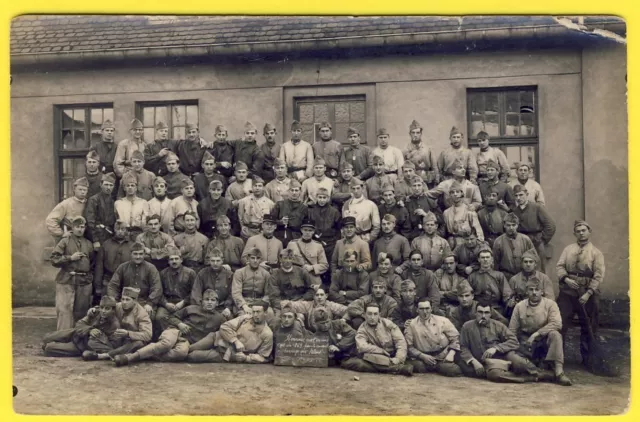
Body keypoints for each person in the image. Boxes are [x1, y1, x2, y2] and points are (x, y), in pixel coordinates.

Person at [113, 289, 226, 366]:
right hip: (175, 331)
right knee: (166, 344)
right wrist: (180, 324)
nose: (209, 303)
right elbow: (171, 317)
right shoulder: (191, 308)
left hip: (187, 341)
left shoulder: (219, 318)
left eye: (213, 300)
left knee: (181, 353)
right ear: (202, 301)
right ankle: (130, 357)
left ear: (217, 303)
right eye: (207, 300)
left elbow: (226, 330)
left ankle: (147, 355)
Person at [556, 220, 605, 370]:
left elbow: (598, 275)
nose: (581, 233)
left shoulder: (596, 253)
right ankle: (558, 359)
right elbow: (560, 266)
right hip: (568, 290)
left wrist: (588, 293)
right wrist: (566, 279)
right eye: (578, 231)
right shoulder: (568, 250)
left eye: (584, 230)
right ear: (574, 234)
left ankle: (588, 360)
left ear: (589, 232)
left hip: (587, 292)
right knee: (560, 323)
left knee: (589, 325)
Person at [458, 301, 541, 383]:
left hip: (503, 356)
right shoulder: (467, 327)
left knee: (519, 363)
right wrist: (473, 361)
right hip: (486, 362)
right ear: (475, 313)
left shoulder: (498, 325)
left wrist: (496, 348)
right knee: (495, 374)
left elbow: (514, 341)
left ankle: (541, 374)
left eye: (486, 313)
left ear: (490, 314)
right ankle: (529, 378)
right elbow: (463, 346)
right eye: (480, 312)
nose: (483, 316)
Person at [509, 280, 572, 386]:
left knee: (555, 335)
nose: (534, 293)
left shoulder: (550, 304)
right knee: (514, 360)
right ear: (527, 292)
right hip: (526, 342)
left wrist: (536, 334)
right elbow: (512, 330)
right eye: (531, 290)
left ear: (542, 292)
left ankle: (559, 373)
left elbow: (557, 324)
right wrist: (514, 346)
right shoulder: (520, 306)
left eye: (537, 290)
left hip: (544, 341)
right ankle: (540, 372)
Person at [188, 301, 274, 364]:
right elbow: (224, 326)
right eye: (253, 311)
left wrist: (246, 358)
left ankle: (178, 353)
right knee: (188, 349)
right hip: (216, 338)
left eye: (258, 312)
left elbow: (263, 356)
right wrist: (236, 341)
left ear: (265, 313)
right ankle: (179, 349)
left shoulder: (267, 334)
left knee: (193, 356)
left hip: (226, 353)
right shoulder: (245, 318)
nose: (255, 315)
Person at [341, 304, 413, 376]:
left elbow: (400, 341)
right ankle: (398, 369)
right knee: (366, 359)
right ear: (365, 315)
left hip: (393, 355)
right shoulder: (362, 329)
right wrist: (381, 351)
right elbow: (362, 347)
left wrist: (398, 358)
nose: (372, 317)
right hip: (375, 357)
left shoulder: (388, 324)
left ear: (379, 314)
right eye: (369, 314)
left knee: (362, 365)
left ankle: (394, 366)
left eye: (375, 314)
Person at [50, 216, 95, 330]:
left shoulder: (89, 244)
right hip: (66, 280)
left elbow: (93, 263)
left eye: (82, 227)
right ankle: (63, 337)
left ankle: (78, 337)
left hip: (84, 282)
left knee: (82, 311)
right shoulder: (65, 241)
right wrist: (70, 258)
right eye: (77, 227)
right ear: (72, 228)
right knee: (64, 311)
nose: (80, 229)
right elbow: (54, 259)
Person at [42, 296, 120, 358]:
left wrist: (95, 342)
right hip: (76, 333)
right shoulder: (96, 313)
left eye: (107, 309)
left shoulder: (114, 325)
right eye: (102, 307)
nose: (103, 311)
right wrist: (89, 328)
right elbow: (79, 324)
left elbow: (110, 347)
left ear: (113, 310)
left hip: (81, 345)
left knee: (48, 348)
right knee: (46, 338)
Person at [405, 298, 463, 376]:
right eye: (421, 309)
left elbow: (456, 338)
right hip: (423, 357)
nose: (425, 312)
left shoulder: (443, 321)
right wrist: (422, 356)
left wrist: (451, 353)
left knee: (454, 370)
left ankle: (439, 367)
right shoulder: (411, 325)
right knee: (420, 367)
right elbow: (409, 346)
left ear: (431, 309)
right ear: (417, 310)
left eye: (427, 308)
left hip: (443, 355)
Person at [107, 242, 163, 319]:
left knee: (149, 315)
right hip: (125, 301)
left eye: (140, 254)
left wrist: (150, 303)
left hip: (144, 301)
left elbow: (157, 288)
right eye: (135, 254)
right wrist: (115, 301)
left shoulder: (151, 268)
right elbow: (113, 286)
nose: (138, 257)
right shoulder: (123, 267)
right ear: (131, 254)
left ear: (144, 254)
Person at [512, 184, 556, 272]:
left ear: (527, 194)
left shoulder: (537, 207)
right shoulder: (514, 211)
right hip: (521, 244)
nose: (519, 198)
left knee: (539, 270)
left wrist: (542, 240)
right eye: (516, 195)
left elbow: (550, 225)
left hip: (536, 243)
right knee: (522, 269)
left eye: (521, 195)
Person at [155, 246, 197, 331]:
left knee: (190, 318)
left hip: (184, 303)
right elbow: (158, 291)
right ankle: (167, 337)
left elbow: (195, 291)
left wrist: (184, 302)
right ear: (168, 261)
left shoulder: (190, 273)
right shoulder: (162, 273)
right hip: (167, 303)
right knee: (159, 317)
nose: (174, 261)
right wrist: (166, 303)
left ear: (181, 260)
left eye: (176, 259)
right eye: (171, 259)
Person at [93, 221, 133, 302]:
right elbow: (99, 266)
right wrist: (98, 286)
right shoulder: (106, 244)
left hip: (126, 283)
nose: (120, 231)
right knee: (108, 305)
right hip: (108, 281)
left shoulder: (132, 245)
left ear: (126, 230)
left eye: (122, 229)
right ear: (114, 230)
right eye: (118, 229)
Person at [190, 248, 234, 318]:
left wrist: (228, 307)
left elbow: (232, 293)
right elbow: (196, 292)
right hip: (204, 307)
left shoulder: (229, 275)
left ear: (222, 260)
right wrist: (200, 307)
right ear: (209, 261)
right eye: (213, 261)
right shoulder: (202, 273)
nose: (215, 263)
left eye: (218, 261)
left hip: (222, 308)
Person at [492, 213, 537, 280]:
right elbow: (495, 263)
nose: (511, 228)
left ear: (517, 225)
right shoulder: (498, 241)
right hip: (506, 277)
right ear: (504, 225)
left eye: (513, 225)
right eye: (508, 225)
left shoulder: (525, 239)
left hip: (523, 276)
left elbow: (534, 258)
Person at [269, 249, 316, 313]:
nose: (288, 261)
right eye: (285, 258)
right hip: (283, 305)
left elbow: (311, 290)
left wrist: (303, 299)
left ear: (293, 259)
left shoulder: (301, 272)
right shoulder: (275, 275)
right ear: (280, 259)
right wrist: (284, 305)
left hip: (301, 303)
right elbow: (274, 297)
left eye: (290, 258)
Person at [233, 248, 275, 318]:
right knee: (245, 317)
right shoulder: (239, 273)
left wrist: (262, 305)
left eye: (258, 258)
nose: (255, 261)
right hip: (245, 302)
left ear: (261, 260)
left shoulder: (266, 274)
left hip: (260, 302)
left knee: (270, 314)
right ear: (248, 258)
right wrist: (244, 306)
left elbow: (268, 293)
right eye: (252, 258)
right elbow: (236, 292)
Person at [286, 219, 329, 287]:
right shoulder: (292, 244)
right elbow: (286, 261)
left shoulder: (318, 246)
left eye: (310, 230)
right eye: (305, 230)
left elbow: (325, 265)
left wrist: (312, 267)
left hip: (313, 279)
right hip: (296, 279)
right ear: (301, 230)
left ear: (313, 231)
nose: (307, 232)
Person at [46, 177, 89, 244]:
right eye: (80, 189)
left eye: (84, 190)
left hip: (85, 240)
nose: (82, 192)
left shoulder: (89, 204)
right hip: (69, 240)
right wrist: (61, 234)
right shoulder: (66, 204)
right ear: (74, 189)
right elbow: (50, 220)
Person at [468, 247, 511, 314]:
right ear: (479, 259)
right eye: (482, 257)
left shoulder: (499, 275)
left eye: (487, 257)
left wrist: (509, 301)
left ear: (492, 259)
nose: (485, 260)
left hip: (496, 308)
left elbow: (506, 293)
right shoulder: (472, 276)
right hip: (477, 309)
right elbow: (468, 294)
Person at [442, 180, 484, 249]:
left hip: (467, 243)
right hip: (451, 244)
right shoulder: (446, 213)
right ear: (450, 195)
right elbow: (444, 232)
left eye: (457, 192)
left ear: (462, 194)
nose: (455, 194)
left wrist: (478, 245)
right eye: (452, 192)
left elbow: (479, 232)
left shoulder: (469, 211)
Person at [397, 250, 442, 314]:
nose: (416, 262)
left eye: (418, 259)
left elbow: (434, 295)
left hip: (425, 307)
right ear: (409, 262)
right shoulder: (404, 274)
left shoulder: (428, 274)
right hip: (408, 309)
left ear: (422, 262)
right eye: (413, 260)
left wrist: (431, 310)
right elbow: (400, 294)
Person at [306, 187, 342, 265]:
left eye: (324, 197)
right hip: (315, 242)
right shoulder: (310, 211)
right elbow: (308, 227)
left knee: (330, 264)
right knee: (316, 263)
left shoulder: (334, 212)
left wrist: (335, 241)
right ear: (316, 197)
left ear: (328, 198)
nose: (322, 200)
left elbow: (338, 229)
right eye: (320, 197)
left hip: (330, 243)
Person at [84, 172, 117, 250]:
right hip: (97, 236)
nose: (108, 187)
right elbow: (90, 221)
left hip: (109, 236)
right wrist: (95, 240)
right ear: (101, 185)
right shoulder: (93, 200)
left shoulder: (113, 201)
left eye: (111, 185)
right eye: (106, 184)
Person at [342, 177, 380, 244]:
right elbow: (344, 224)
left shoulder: (370, 204)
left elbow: (376, 226)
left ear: (362, 188)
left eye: (358, 188)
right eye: (353, 189)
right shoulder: (347, 204)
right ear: (351, 190)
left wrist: (370, 238)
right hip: (350, 239)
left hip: (366, 238)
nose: (356, 191)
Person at [404, 175, 442, 242]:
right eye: (414, 186)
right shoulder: (407, 203)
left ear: (423, 186)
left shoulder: (430, 202)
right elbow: (406, 224)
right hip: (413, 236)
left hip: (430, 235)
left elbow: (440, 220)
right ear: (411, 187)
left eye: (419, 185)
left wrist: (426, 215)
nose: (417, 188)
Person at [237, 175, 275, 241]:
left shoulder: (270, 203)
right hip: (248, 232)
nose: (257, 188)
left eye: (260, 186)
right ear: (252, 187)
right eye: (255, 186)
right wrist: (242, 227)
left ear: (263, 188)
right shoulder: (243, 201)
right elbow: (240, 216)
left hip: (262, 232)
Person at [403, 120, 439, 187]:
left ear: (421, 133)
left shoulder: (428, 149)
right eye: (413, 133)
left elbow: (434, 166)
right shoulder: (406, 149)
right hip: (411, 180)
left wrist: (437, 180)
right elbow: (403, 167)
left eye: (417, 132)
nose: (415, 135)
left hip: (427, 179)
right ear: (410, 134)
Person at [272, 179, 307, 246]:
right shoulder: (280, 204)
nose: (294, 193)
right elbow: (271, 221)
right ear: (288, 191)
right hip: (280, 237)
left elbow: (305, 225)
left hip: (297, 238)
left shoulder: (304, 208)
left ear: (300, 192)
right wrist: (280, 222)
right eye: (292, 190)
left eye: (296, 190)